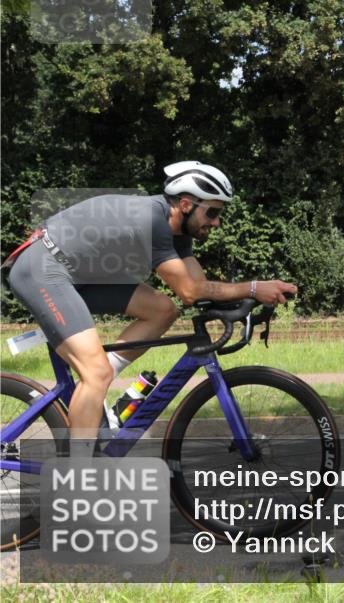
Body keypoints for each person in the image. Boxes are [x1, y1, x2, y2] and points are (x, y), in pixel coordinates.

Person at [4, 161, 297, 453]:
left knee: (162, 309)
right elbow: (191, 290)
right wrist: (255, 287)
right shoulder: (153, 221)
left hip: (78, 274)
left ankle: (97, 391)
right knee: (95, 372)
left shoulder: (179, 233)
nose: (217, 222)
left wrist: (246, 298)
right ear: (185, 204)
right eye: (213, 211)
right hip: (43, 269)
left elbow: (196, 289)